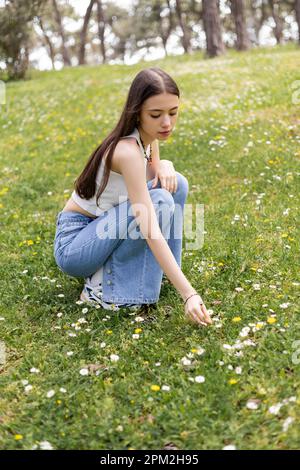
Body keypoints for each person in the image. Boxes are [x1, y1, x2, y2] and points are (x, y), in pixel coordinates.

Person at [53, 67, 212, 327]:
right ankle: (99, 290)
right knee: (158, 202)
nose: (167, 123)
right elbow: (148, 223)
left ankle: (162, 274)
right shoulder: (126, 151)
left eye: (173, 112)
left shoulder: (149, 139)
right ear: (137, 112)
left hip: (102, 226)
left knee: (177, 185)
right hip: (76, 246)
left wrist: (166, 164)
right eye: (156, 115)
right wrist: (189, 294)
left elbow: (156, 169)